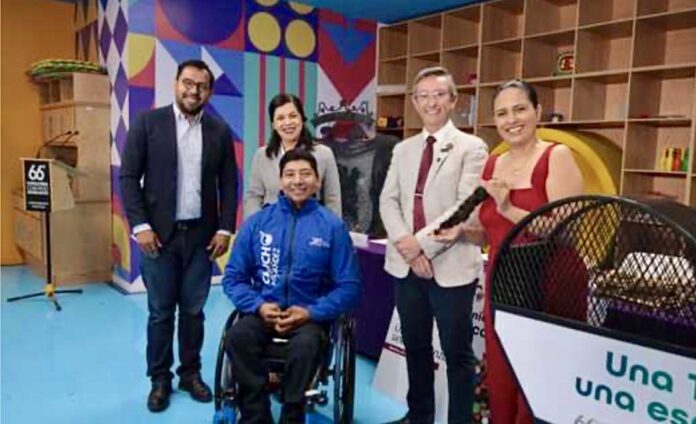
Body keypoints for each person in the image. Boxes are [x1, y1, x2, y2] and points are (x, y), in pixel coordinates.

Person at [432, 79, 584, 424]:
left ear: (537, 112)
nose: (511, 120)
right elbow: (492, 232)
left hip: (550, 282)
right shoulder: (493, 164)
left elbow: (567, 230)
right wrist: (462, 233)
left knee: (539, 377)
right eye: (502, 113)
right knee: (502, 371)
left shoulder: (557, 156)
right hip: (503, 280)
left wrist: (507, 207)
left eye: (520, 109)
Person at [120, 59, 238, 412]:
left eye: (201, 86)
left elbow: (228, 183)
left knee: (193, 312)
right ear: (175, 83)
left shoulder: (219, 131)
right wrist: (140, 226)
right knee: (160, 313)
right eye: (188, 82)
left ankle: (190, 374)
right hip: (159, 238)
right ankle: (159, 379)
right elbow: (129, 178)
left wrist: (225, 227)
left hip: (202, 239)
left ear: (209, 92)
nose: (193, 90)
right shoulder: (148, 123)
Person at [379, 66, 488, 424]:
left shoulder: (473, 147)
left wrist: (421, 247)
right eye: (423, 96)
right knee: (416, 347)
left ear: (453, 100)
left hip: (452, 267)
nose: (431, 102)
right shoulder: (403, 149)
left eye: (439, 94)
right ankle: (419, 415)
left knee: (458, 355)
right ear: (414, 102)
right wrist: (408, 248)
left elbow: (466, 207)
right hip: (406, 266)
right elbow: (388, 201)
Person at [223, 149, 361, 423]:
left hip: (310, 315)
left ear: (317, 181)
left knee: (306, 347)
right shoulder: (257, 223)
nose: (298, 181)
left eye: (305, 174)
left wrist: (311, 312)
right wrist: (259, 306)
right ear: (280, 181)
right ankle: (255, 414)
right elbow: (233, 278)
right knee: (237, 337)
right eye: (290, 174)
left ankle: (292, 414)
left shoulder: (332, 227)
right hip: (263, 310)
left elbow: (349, 286)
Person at [244, 93, 342, 218]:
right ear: (273, 124)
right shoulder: (262, 155)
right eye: (280, 118)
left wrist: (330, 227)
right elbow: (254, 197)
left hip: (312, 225)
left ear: (302, 119)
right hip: (271, 225)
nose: (288, 122)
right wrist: (258, 225)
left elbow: (332, 199)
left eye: (293, 116)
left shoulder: (324, 154)